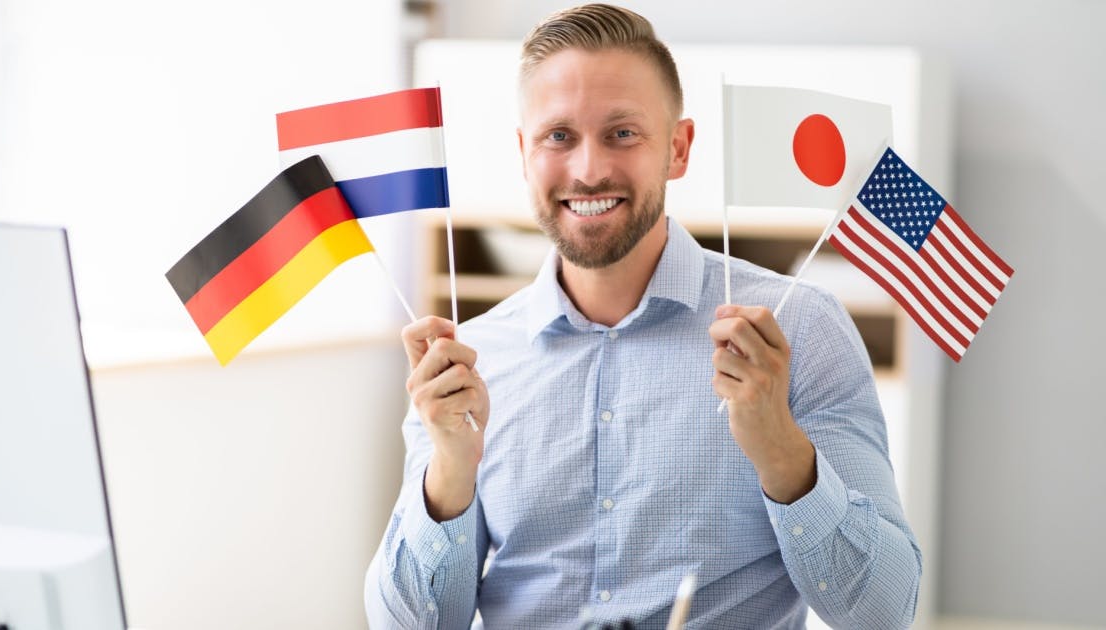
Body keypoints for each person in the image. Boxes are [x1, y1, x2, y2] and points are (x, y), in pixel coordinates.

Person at [365, 4, 921, 628]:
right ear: (523, 153)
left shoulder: (799, 333)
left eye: (623, 133)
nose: (589, 169)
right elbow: (411, 623)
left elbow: (885, 611)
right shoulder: (465, 367)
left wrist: (783, 452)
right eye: (558, 136)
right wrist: (450, 471)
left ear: (678, 149)